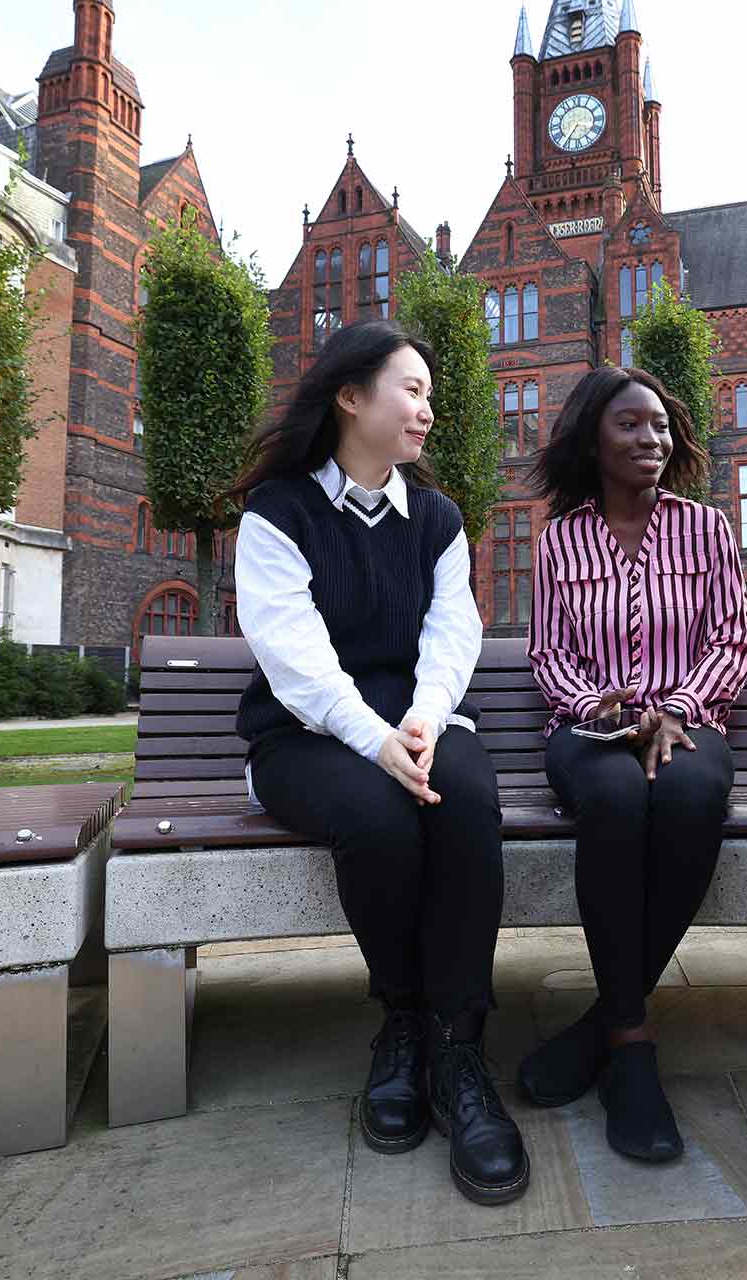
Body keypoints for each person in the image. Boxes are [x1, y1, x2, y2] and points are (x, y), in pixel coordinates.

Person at [231, 320, 528, 1207]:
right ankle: (402, 1017)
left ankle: (459, 1044)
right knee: (376, 812)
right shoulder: (277, 513)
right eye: (412, 390)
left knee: (468, 802)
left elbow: (452, 636)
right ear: (350, 397)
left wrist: (426, 722)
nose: (427, 411)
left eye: (431, 394)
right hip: (307, 736)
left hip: (420, 724)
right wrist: (375, 741)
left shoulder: (436, 519)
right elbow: (293, 655)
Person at [519, 366, 747, 1161]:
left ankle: (608, 1027)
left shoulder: (706, 529)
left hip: (691, 721)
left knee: (688, 798)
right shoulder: (561, 538)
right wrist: (599, 709)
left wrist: (678, 710)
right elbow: (548, 654)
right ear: (593, 436)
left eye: (660, 425)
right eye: (630, 425)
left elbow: (731, 638)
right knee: (615, 801)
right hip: (589, 727)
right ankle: (633, 1047)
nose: (651, 439)